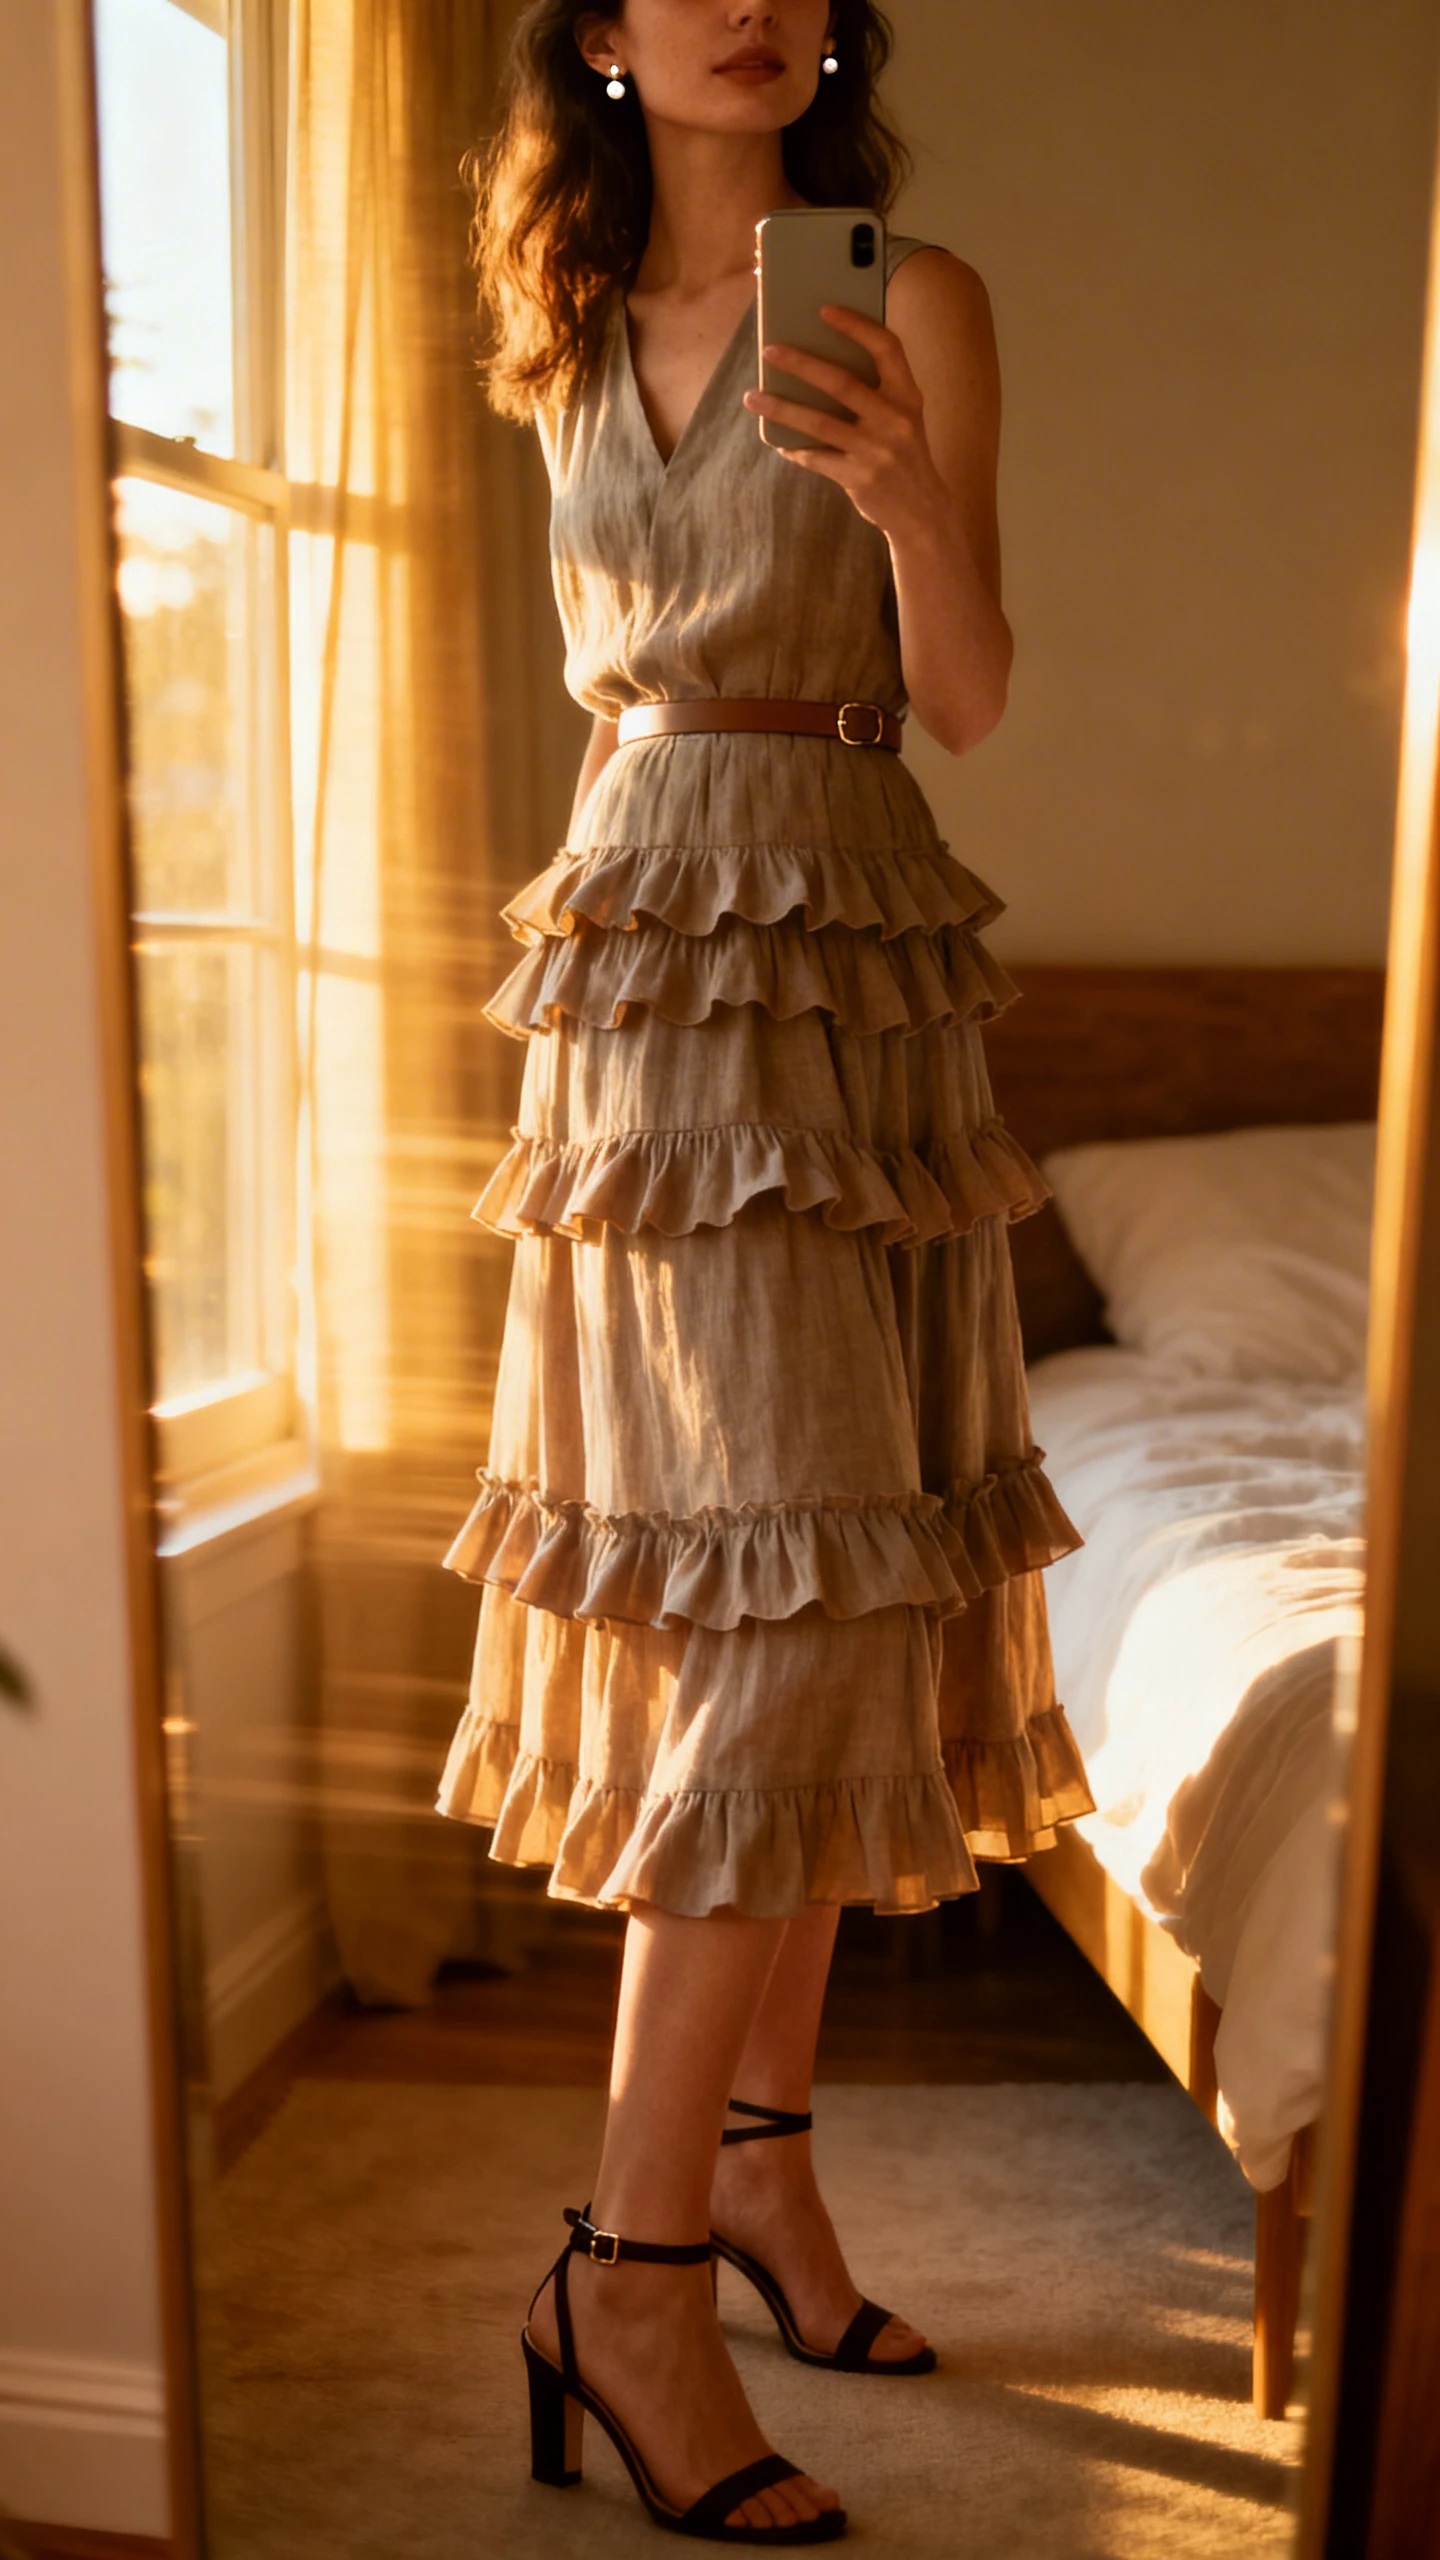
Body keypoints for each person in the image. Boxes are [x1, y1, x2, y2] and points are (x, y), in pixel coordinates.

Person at [436, 0, 1094, 2539]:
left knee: (847, 1593)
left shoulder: (913, 293)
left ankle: (764, 2179)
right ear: (595, 35)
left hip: (862, 950)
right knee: (765, 1619)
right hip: (649, 1000)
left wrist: (919, 499)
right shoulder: (570, 335)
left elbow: (974, 693)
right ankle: (632, 2273)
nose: (757, 3)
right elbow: (623, 706)